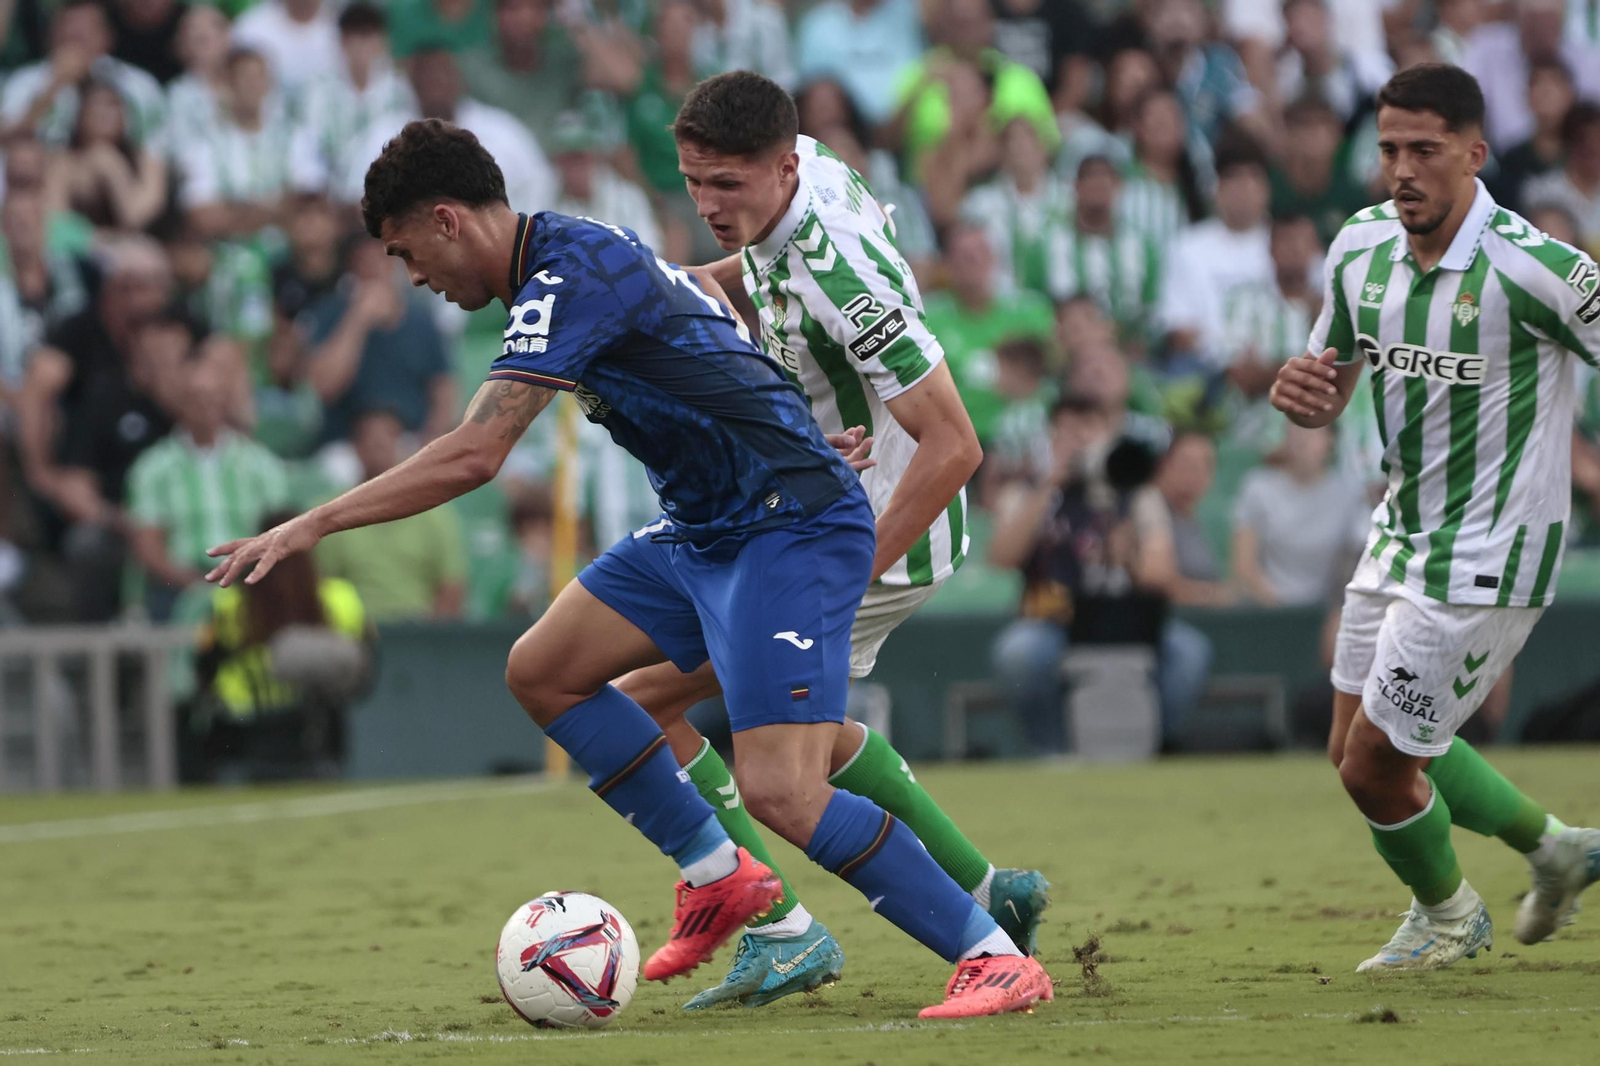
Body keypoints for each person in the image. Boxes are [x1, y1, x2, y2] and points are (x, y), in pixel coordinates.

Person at [204, 117, 1051, 1018]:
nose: (414, 276)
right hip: (705, 529)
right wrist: (784, 430)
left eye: (408, 251)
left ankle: (992, 955)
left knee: (781, 787)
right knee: (544, 670)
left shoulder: (566, 277)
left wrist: (316, 521)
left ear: (447, 220)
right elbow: (703, 311)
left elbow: (476, 454)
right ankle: (721, 876)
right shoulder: (574, 256)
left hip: (787, 530)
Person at [609, 71, 1049, 1009]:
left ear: (778, 168)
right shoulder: (801, 165)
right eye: (694, 182)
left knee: (674, 718)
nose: (707, 205)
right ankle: (989, 893)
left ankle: (784, 929)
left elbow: (956, 444)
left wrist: (842, 574)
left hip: (869, 532)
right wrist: (668, 293)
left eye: (726, 185)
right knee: (779, 731)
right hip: (805, 511)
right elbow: (761, 269)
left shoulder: (839, 271)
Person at [1269, 64, 1600, 973]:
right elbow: (1332, 380)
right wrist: (1306, 394)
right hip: (1401, 532)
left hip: (1495, 551)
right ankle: (1555, 849)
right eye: (1389, 150)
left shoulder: (1538, 270)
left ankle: (1450, 917)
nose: (1402, 170)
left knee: (1373, 766)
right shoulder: (1359, 244)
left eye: (1424, 149)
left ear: (1474, 153)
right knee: (1353, 746)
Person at [188, 509, 371, 783]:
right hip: (316, 733)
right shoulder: (341, 597)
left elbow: (204, 670)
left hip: (243, 731)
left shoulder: (228, 603)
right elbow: (363, 670)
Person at [126, 337, 289, 618]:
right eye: (197, 398)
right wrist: (192, 583)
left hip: (247, 576)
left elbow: (280, 528)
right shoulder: (153, 467)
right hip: (180, 583)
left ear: (225, 401)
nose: (206, 407)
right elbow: (148, 546)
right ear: (182, 402)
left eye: (213, 397)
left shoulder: (260, 463)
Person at [314, 407, 467, 621]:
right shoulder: (331, 513)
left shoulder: (435, 513)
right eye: (370, 439)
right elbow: (321, 584)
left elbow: (451, 586)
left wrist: (431, 636)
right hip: (353, 631)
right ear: (356, 447)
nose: (379, 446)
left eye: (388, 437)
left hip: (417, 630)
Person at [1231, 423, 1365, 605]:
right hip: (1265, 608)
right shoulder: (1258, 487)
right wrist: (1280, 607)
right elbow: (1244, 567)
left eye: (1314, 431)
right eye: (1297, 428)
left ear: (1330, 440)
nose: (1303, 438)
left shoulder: (1348, 494)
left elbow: (1355, 566)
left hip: (1326, 610)